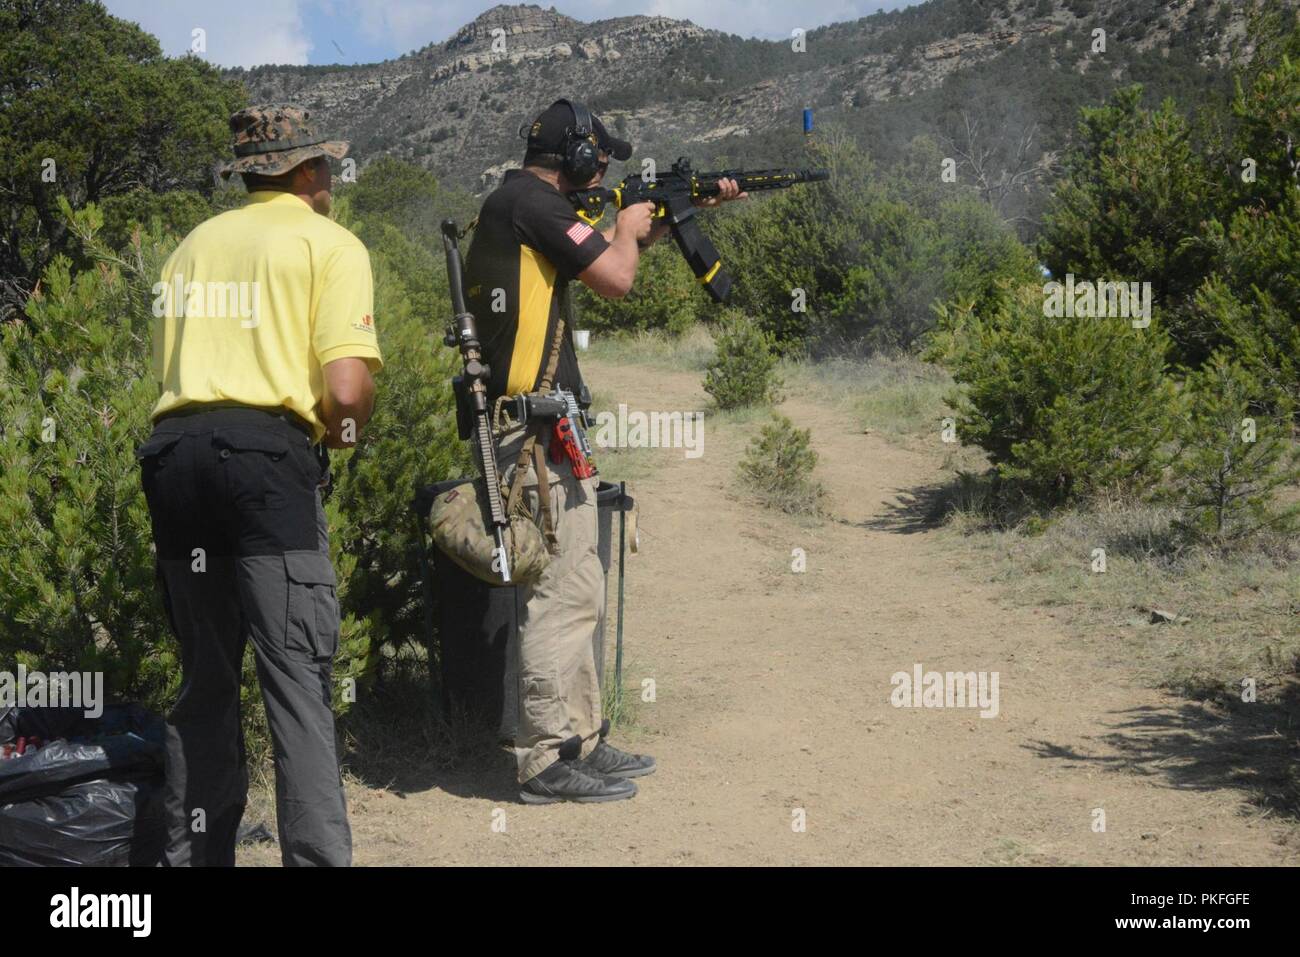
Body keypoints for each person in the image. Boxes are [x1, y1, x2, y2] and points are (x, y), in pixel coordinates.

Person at [463, 98, 746, 804]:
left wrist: (659, 219)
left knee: (579, 583)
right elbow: (616, 278)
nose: (605, 170)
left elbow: (600, 261)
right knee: (556, 591)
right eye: (599, 158)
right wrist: (627, 227)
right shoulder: (529, 203)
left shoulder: (525, 205)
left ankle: (578, 737)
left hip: (549, 428)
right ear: (580, 158)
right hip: (528, 432)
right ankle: (539, 758)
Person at [137, 105, 382, 864]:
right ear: (307, 172)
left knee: (206, 684)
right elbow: (344, 391)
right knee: (298, 687)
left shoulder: (187, 249)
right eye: (328, 167)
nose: (331, 180)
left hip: (174, 457)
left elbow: (172, 376)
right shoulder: (329, 245)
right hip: (266, 465)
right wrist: (340, 442)